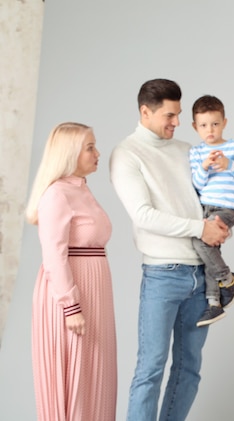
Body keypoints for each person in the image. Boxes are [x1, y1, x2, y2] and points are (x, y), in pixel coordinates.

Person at [110, 79, 230, 421]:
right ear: (144, 112)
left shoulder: (185, 150)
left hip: (201, 275)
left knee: (190, 369)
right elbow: (143, 216)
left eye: (178, 114)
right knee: (150, 369)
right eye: (169, 115)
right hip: (163, 275)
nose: (177, 122)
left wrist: (219, 222)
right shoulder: (127, 154)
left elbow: (203, 202)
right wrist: (200, 228)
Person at [25, 122, 117, 420]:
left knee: (95, 375)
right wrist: (71, 306)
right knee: (76, 376)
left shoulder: (82, 190)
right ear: (69, 153)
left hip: (94, 292)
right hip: (72, 297)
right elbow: (53, 254)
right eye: (90, 147)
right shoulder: (57, 195)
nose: (97, 153)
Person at [189, 94, 234, 326]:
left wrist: (229, 165)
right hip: (206, 207)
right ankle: (214, 303)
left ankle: (227, 280)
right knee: (209, 250)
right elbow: (196, 185)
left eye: (215, 124)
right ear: (195, 127)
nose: (210, 130)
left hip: (228, 207)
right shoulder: (196, 153)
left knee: (201, 242)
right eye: (204, 125)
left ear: (224, 122)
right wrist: (205, 167)